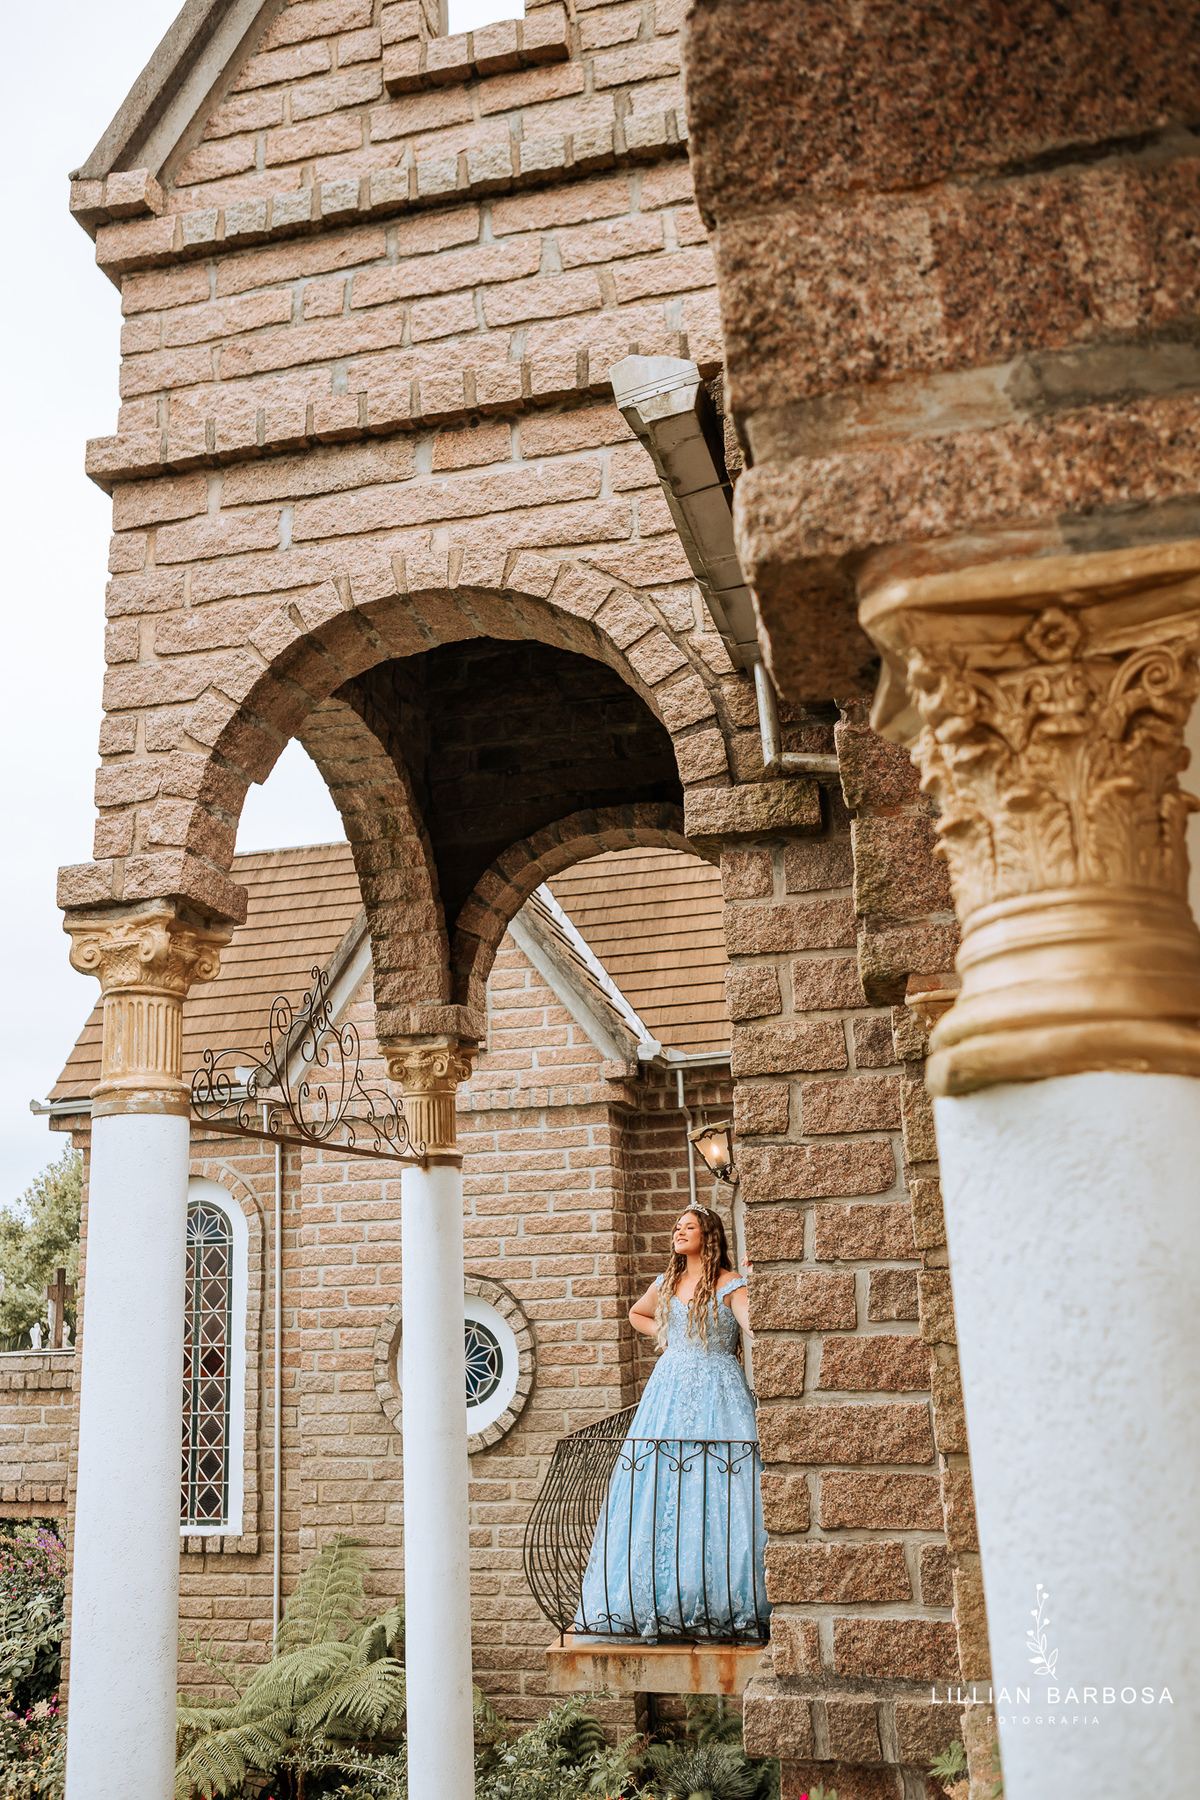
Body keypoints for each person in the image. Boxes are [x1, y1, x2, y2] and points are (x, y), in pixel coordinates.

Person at [574, 1204, 770, 1642]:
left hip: (718, 1389)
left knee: (716, 1483)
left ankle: (720, 1599)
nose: (679, 1232)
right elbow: (636, 1314)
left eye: (689, 1227)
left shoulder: (729, 1283)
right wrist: (666, 1333)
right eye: (677, 1227)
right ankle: (658, 1598)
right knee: (662, 1483)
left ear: (708, 1235)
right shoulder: (666, 1282)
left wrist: (756, 1284)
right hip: (668, 1389)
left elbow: (754, 1326)